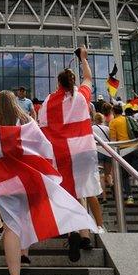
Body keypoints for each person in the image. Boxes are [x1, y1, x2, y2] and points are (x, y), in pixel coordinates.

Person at [0, 90, 98, 275]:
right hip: (28, 181)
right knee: (26, 219)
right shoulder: (27, 122)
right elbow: (44, 147)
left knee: (11, 226)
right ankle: (24, 254)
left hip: (4, 183)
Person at [37, 45, 102, 248]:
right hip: (82, 151)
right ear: (73, 81)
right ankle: (85, 235)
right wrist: (83, 59)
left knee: (68, 192)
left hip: (61, 152)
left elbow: (42, 127)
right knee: (80, 191)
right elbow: (89, 78)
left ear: (58, 82)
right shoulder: (81, 96)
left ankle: (73, 231)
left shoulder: (49, 101)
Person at [109, 104, 138, 209]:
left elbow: (113, 140)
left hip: (123, 151)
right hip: (134, 148)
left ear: (113, 112)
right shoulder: (128, 119)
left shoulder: (113, 122)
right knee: (137, 174)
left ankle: (130, 197)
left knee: (124, 175)